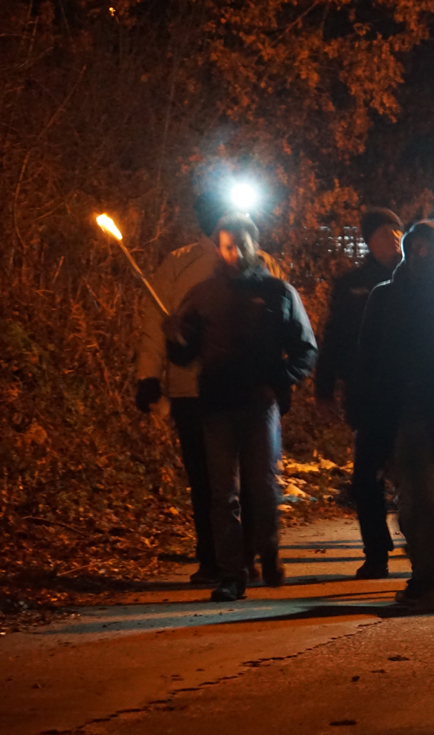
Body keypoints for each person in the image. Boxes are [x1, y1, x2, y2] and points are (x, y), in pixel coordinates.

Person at [135, 192, 287, 585]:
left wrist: (279, 379)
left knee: (252, 482)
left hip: (250, 393)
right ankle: (213, 557)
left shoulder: (263, 264)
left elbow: (281, 325)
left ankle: (246, 555)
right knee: (208, 482)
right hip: (192, 391)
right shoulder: (179, 263)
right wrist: (149, 375)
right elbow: (157, 322)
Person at [164, 214, 317, 602]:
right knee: (223, 493)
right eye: (228, 246)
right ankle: (233, 573)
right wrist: (175, 338)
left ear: (254, 245)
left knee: (261, 488)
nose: (235, 253)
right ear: (219, 248)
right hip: (216, 405)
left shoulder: (278, 293)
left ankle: (268, 549)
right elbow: (185, 355)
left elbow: (305, 349)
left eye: (242, 245)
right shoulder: (202, 295)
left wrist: (278, 380)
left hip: (259, 405)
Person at [352, 221, 434, 610]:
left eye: (429, 249)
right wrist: (362, 409)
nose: (421, 255)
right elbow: (367, 356)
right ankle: (426, 570)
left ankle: (428, 574)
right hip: (394, 411)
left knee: (427, 497)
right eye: (415, 248)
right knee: (410, 498)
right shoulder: (385, 297)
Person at [315, 208, 403, 578]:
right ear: (369, 241)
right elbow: (334, 337)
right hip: (368, 397)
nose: (393, 239)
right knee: (366, 479)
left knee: (414, 477)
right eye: (384, 233)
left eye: (397, 232)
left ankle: (426, 546)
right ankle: (376, 551)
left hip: (410, 397)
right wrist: (324, 388)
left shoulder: (417, 280)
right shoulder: (352, 285)